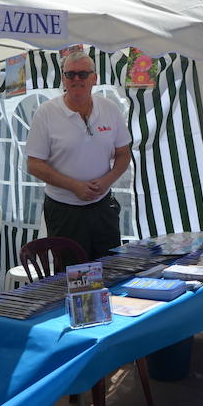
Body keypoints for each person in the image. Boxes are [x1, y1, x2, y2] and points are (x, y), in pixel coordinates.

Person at [26, 50, 131, 259]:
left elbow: (124, 153)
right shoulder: (46, 113)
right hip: (64, 210)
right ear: (63, 78)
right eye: (70, 74)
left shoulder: (109, 109)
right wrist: (74, 186)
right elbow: (34, 164)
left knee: (110, 269)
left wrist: (106, 181)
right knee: (72, 275)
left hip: (103, 207)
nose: (76, 79)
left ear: (94, 78)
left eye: (83, 74)